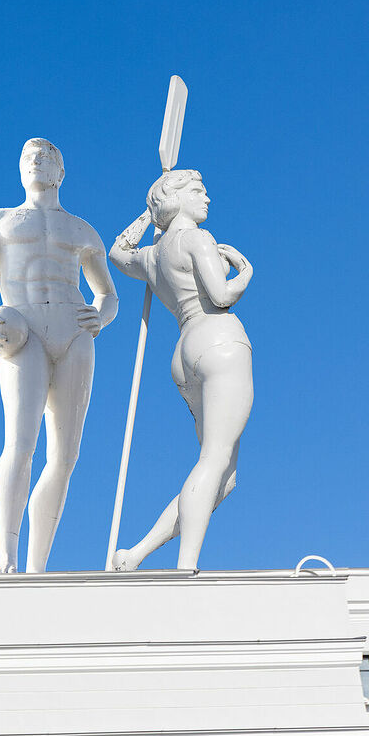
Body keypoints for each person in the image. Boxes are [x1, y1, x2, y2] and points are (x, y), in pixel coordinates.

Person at [0, 139, 119, 574]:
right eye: (29, 157)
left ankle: (36, 568)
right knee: (20, 443)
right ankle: (6, 557)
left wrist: (101, 315)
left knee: (65, 457)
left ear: (60, 173)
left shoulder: (82, 231)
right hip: (22, 330)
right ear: (19, 169)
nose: (36, 161)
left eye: (46, 157)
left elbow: (108, 294)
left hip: (74, 331)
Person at [107, 169, 253, 571]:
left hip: (184, 351)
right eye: (198, 191)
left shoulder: (153, 255)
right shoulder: (197, 239)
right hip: (219, 339)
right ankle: (185, 567)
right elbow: (221, 296)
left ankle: (136, 553)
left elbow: (118, 252)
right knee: (214, 460)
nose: (207, 198)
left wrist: (149, 214)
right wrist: (245, 272)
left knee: (224, 476)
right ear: (177, 198)